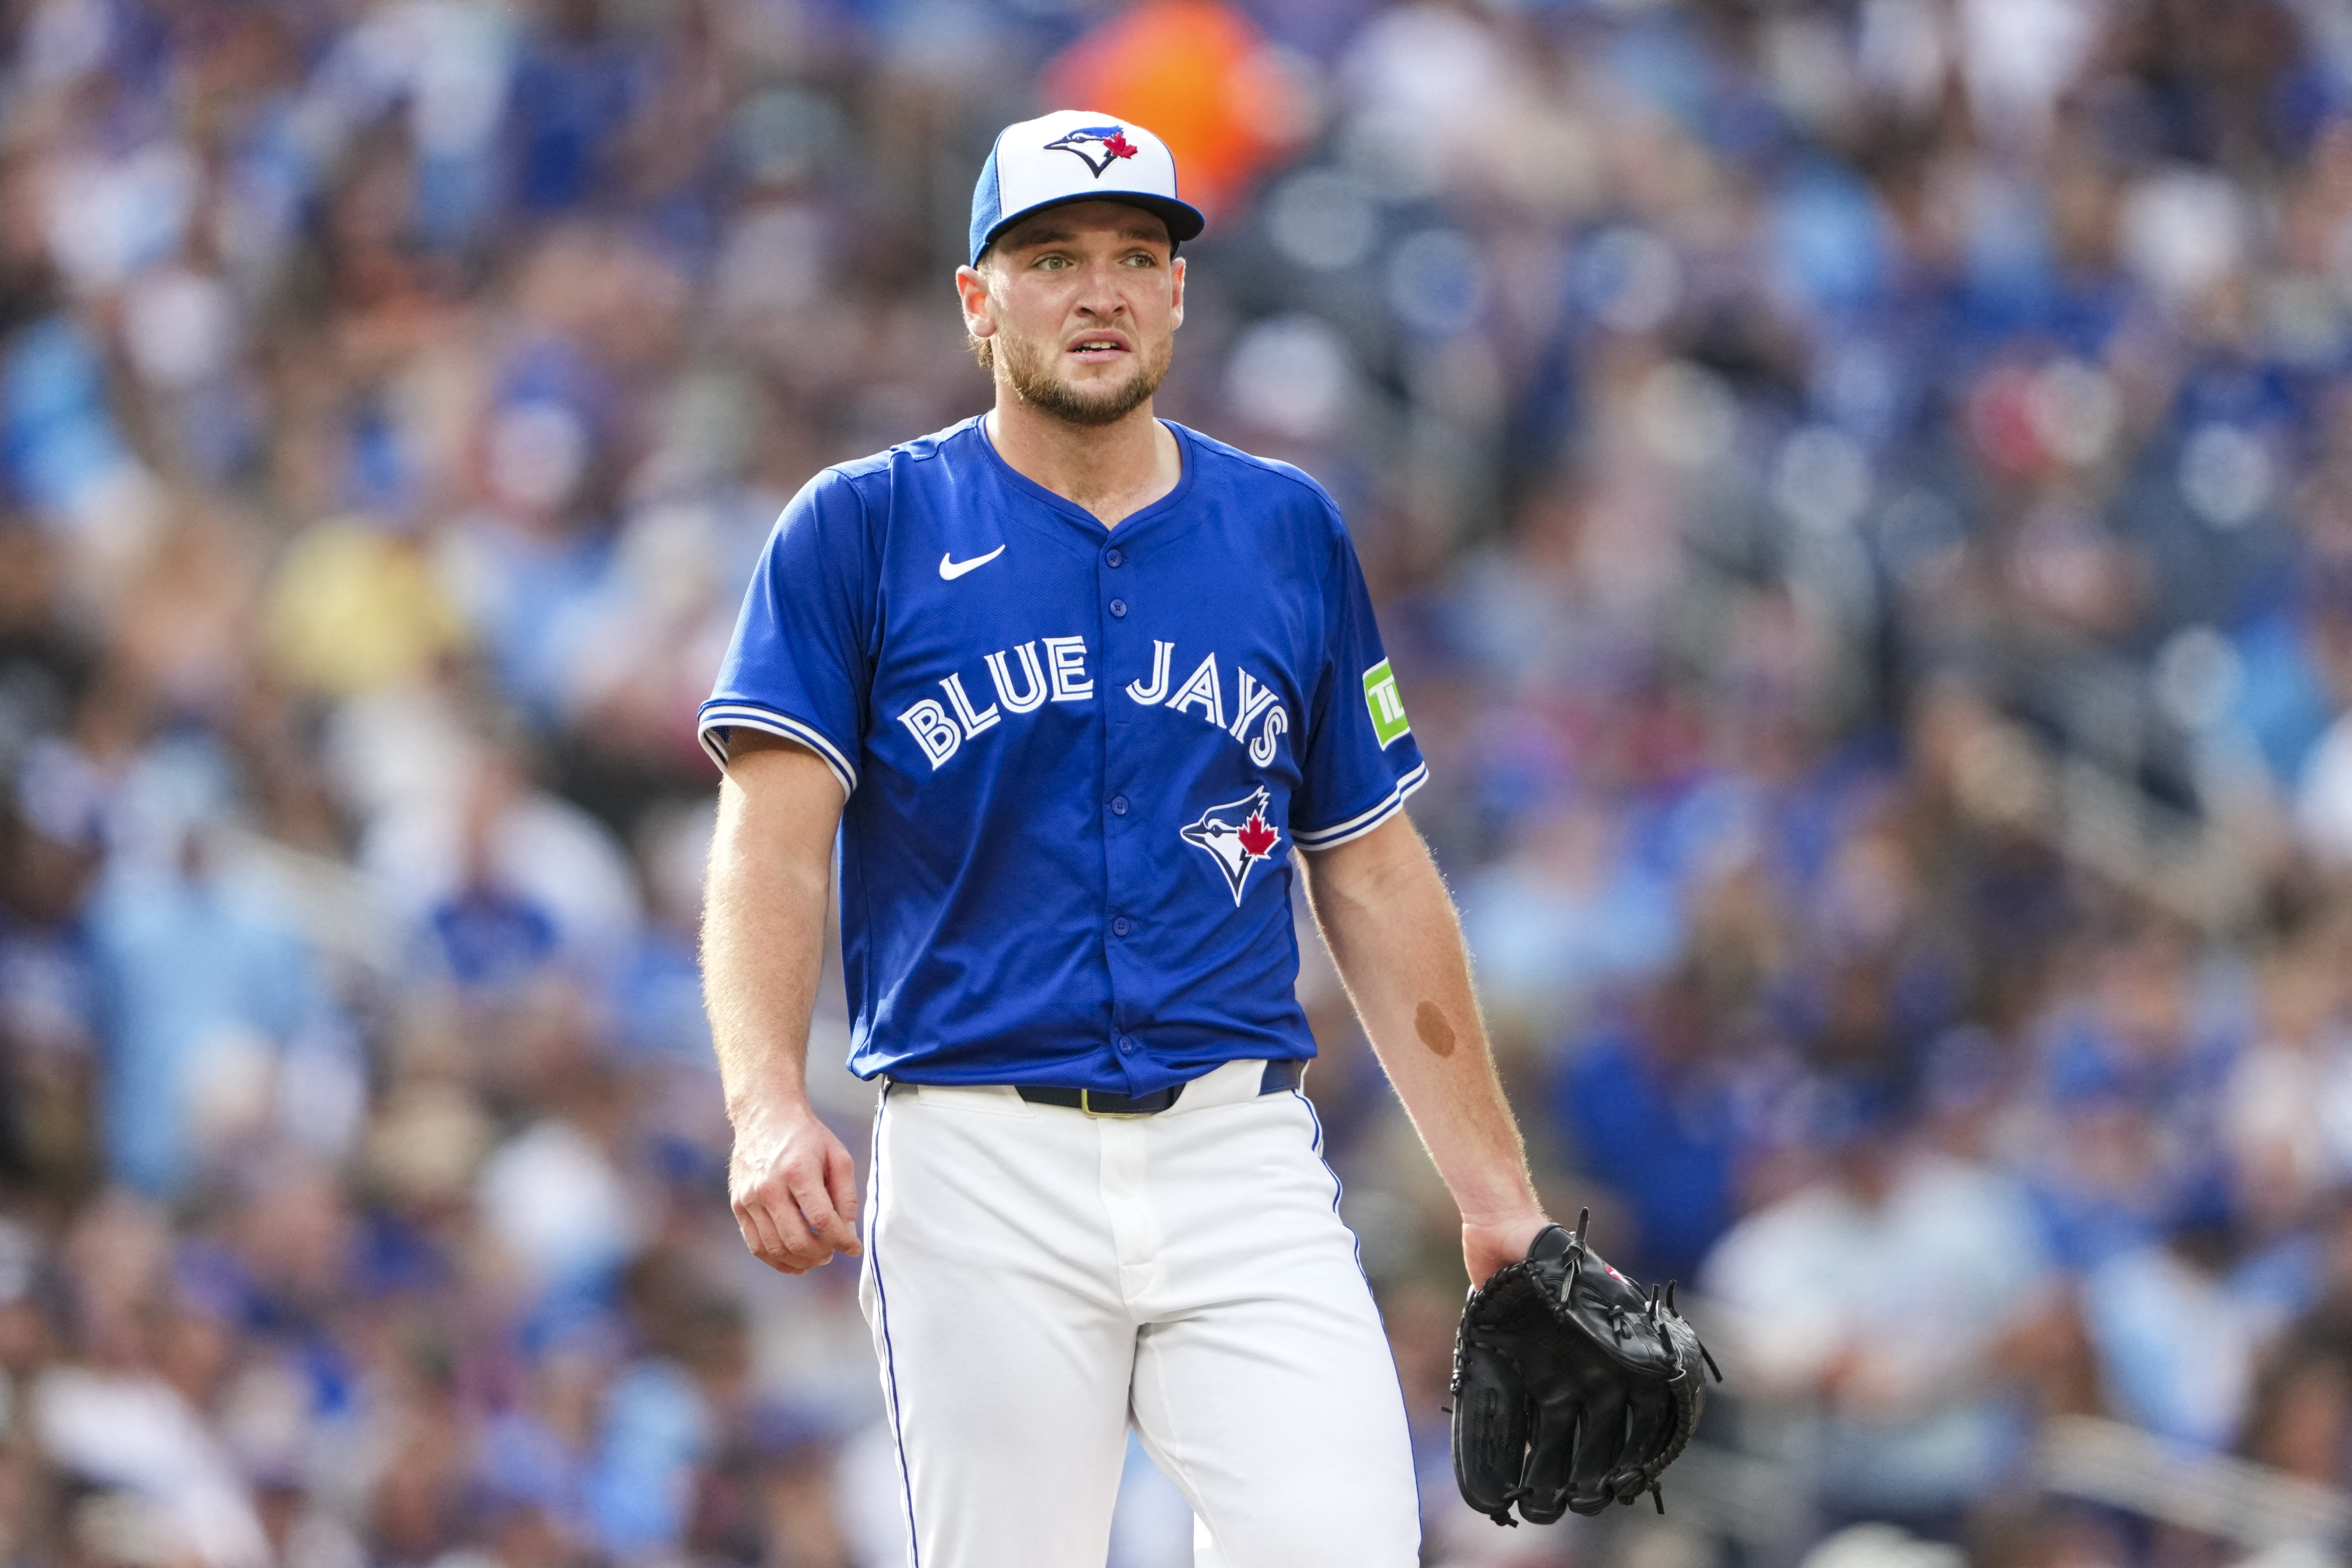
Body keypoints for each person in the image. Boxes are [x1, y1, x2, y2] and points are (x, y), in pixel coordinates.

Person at [697, 108, 1550, 1567]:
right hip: (977, 1159)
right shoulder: (861, 528)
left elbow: (1370, 863)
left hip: (1240, 1150)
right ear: (978, 298)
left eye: (1133, 254)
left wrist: (1499, 1200)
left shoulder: (1287, 529)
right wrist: (766, 1103)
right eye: (1051, 257)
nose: (1097, 289)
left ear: (1176, 293)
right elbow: (771, 846)